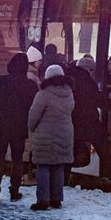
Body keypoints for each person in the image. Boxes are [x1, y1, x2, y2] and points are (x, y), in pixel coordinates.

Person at [0, 52, 38, 203]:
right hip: (20, 125)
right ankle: (14, 191)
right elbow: (34, 107)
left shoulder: (2, 81)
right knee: (17, 159)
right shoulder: (30, 85)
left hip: (1, 124)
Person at [27, 64, 75, 211]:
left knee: (43, 166)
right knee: (58, 166)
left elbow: (33, 116)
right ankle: (56, 199)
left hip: (45, 135)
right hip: (65, 133)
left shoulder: (44, 94)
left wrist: (31, 128)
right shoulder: (69, 93)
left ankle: (43, 200)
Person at [66, 57, 111, 175]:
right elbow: (96, 99)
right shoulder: (87, 81)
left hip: (72, 121)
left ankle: (66, 176)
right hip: (88, 122)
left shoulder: (69, 78)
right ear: (89, 70)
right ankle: (108, 174)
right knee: (103, 148)